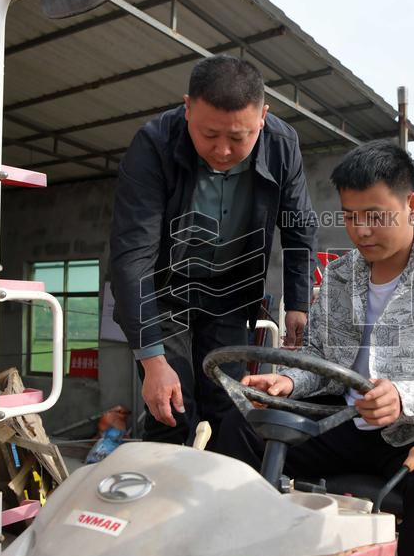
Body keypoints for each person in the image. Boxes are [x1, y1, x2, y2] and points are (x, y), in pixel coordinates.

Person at [213, 140, 414, 556]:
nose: (361, 230)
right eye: (350, 216)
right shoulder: (342, 275)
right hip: (347, 422)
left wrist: (405, 397)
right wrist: (288, 383)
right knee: (239, 425)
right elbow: (319, 357)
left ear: (411, 206)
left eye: (374, 215)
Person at [110, 55, 318, 446]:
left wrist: (298, 303)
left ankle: (220, 500)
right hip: (162, 289)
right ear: (187, 108)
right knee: (171, 405)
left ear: (263, 117)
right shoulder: (153, 143)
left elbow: (299, 226)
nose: (222, 150)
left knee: (228, 403)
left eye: (239, 138)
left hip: (230, 292)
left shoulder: (282, 144)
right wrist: (153, 363)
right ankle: (166, 501)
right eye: (208, 135)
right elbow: (132, 253)